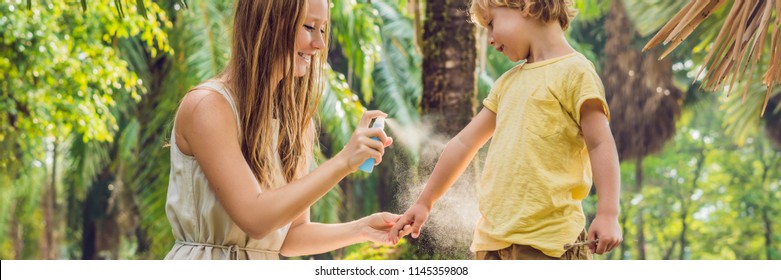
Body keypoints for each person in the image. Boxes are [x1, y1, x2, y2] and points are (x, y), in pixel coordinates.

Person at [389, 0, 622, 260]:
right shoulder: (506, 84)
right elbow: (464, 144)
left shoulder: (575, 72)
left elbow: (600, 143)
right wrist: (424, 202)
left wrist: (608, 213)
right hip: (491, 245)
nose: (489, 39)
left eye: (491, 24)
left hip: (549, 245)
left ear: (527, 6)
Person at [165, 0, 398, 260]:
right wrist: (344, 161)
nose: (319, 44)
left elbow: (289, 237)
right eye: (309, 27)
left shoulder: (295, 124)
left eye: (323, 30)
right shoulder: (208, 106)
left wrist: (362, 228)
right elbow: (255, 219)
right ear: (267, 24)